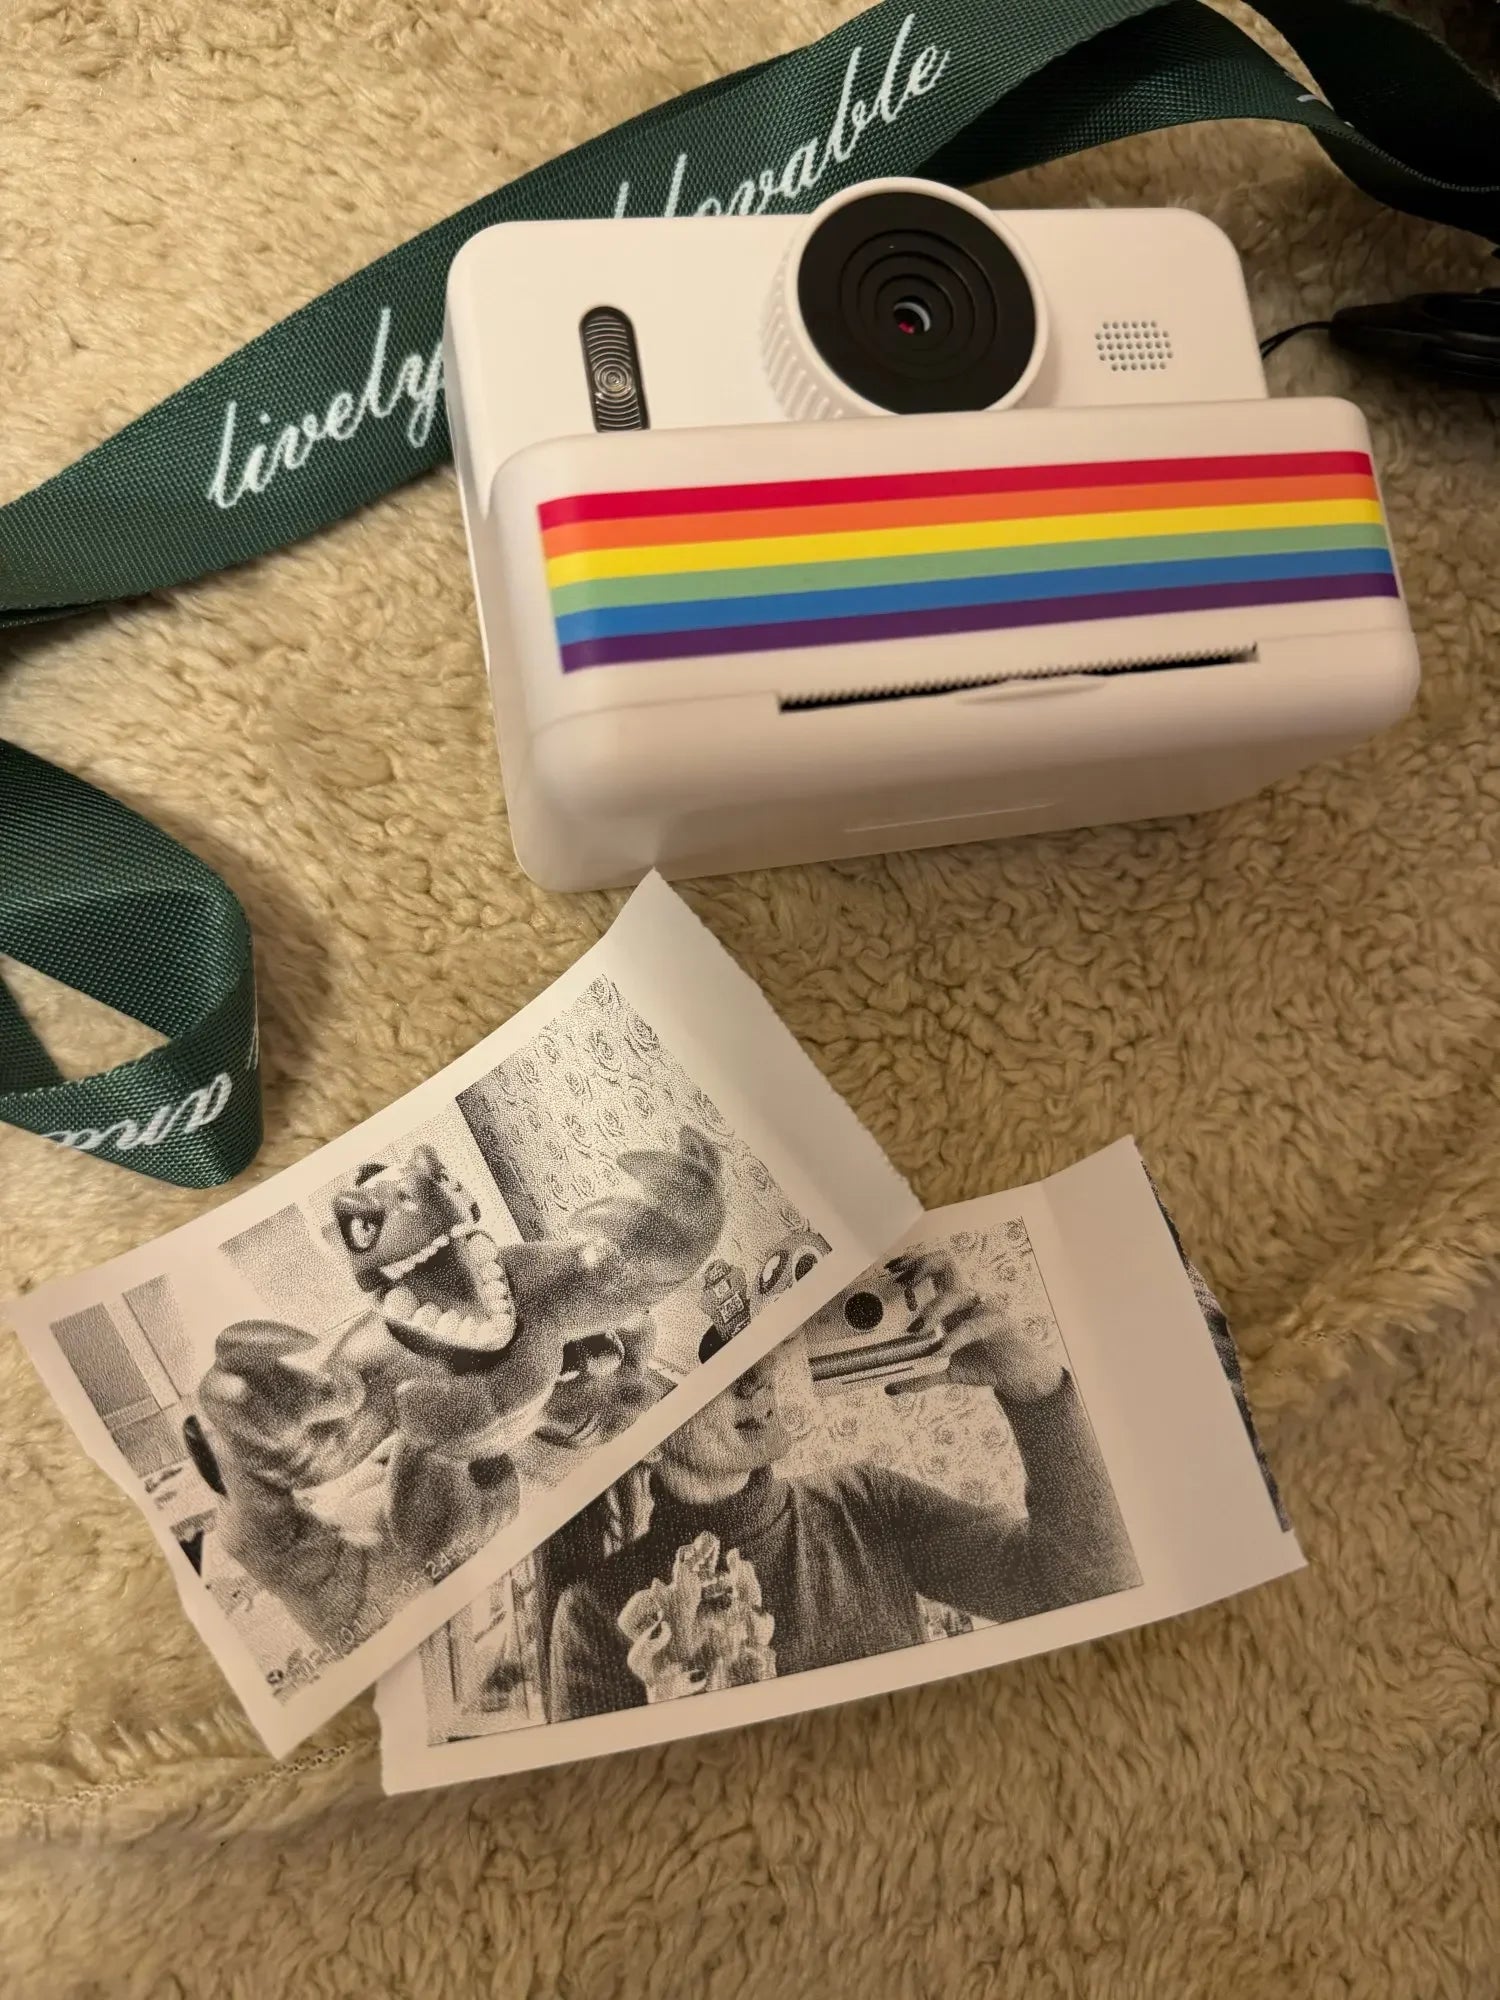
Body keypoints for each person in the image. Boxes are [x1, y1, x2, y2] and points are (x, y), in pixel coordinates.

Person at [546, 1249, 1139, 1719]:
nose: (756, 1379)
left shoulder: (866, 1503)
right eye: (707, 1373)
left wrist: (1035, 1392)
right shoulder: (595, 1617)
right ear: (638, 1432)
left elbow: (1089, 1592)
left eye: (752, 1349)